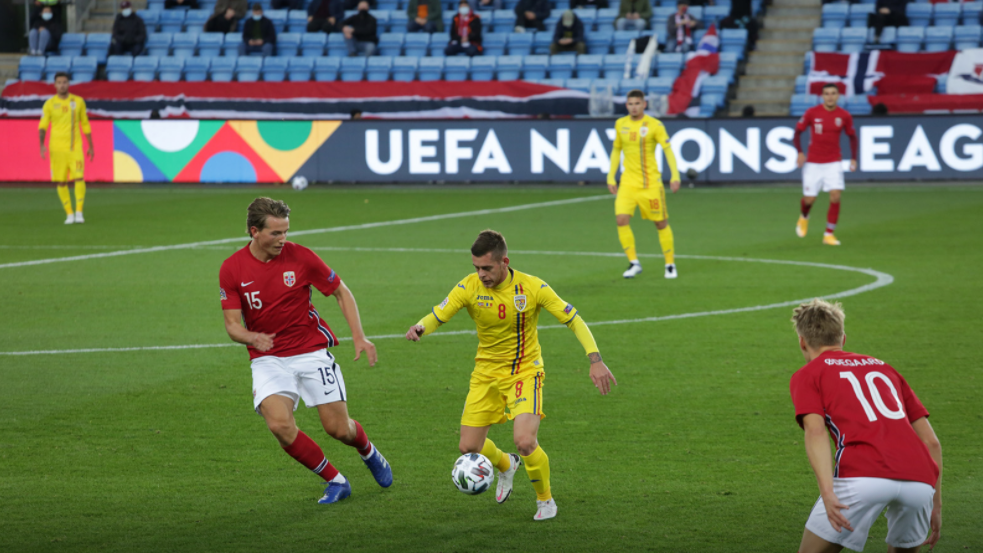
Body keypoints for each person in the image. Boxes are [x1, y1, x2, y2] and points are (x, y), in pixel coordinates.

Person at [405, 230, 617, 521]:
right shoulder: (468, 287)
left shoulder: (532, 287)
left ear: (505, 262)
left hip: (525, 371)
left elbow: (573, 319)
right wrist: (420, 327)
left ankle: (545, 500)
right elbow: (439, 313)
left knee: (525, 441)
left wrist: (596, 360)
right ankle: (506, 464)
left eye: (487, 268)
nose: (481, 274)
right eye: (476, 268)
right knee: (468, 447)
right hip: (485, 374)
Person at [219, 197, 393, 505]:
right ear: (254, 231)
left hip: (310, 351)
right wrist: (251, 336)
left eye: (285, 231)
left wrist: (359, 337)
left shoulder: (300, 257)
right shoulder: (232, 269)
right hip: (268, 357)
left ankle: (368, 451)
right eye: (275, 233)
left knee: (339, 429)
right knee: (280, 426)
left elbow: (340, 290)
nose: (282, 239)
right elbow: (232, 324)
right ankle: (336, 481)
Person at [788, 298, 942, 553]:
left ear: (802, 341)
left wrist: (828, 493)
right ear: (843, 338)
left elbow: (815, 433)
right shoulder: (885, 368)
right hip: (919, 479)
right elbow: (931, 442)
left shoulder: (809, 373)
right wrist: (934, 504)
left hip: (862, 476)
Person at [606, 90, 682, 280]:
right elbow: (616, 149)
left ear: (644, 104)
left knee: (660, 223)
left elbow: (668, 149)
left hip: (650, 185)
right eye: (630, 104)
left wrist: (675, 175)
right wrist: (610, 176)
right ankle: (634, 263)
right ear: (626, 105)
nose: (634, 107)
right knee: (621, 219)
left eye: (637, 104)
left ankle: (670, 263)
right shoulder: (620, 124)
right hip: (628, 183)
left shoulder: (654, 125)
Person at [793, 83, 857, 246]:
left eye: (833, 93)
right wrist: (800, 152)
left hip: (833, 162)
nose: (830, 96)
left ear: (838, 96)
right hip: (813, 163)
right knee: (809, 200)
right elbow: (797, 132)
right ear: (822, 96)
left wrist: (853, 158)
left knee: (835, 195)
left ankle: (828, 234)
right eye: (827, 93)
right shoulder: (812, 113)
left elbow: (852, 137)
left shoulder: (844, 115)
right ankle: (804, 216)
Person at [39, 72, 93, 225]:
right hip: (56, 149)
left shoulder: (78, 101)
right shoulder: (49, 104)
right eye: (59, 82)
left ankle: (79, 212)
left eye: (65, 82)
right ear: (55, 85)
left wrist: (91, 145)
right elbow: (43, 126)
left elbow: (85, 124)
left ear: (69, 83)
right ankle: (69, 213)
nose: (62, 85)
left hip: (75, 148)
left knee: (79, 177)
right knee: (61, 182)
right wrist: (41, 144)